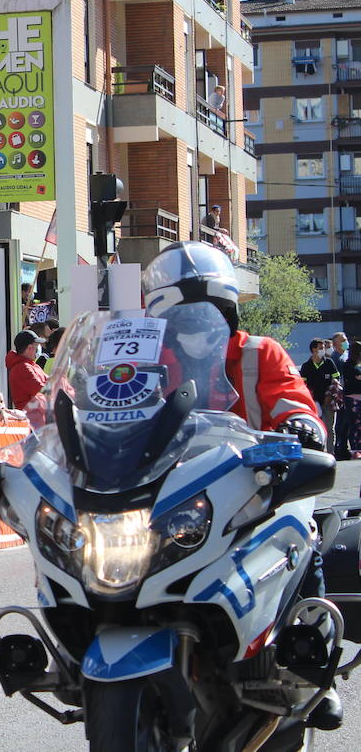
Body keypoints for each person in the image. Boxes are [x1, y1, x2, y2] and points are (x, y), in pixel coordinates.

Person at [142, 241, 341, 730]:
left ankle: (314, 665)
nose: (194, 324)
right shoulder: (146, 358)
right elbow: (103, 400)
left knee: (302, 532)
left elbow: (293, 399)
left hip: (255, 486)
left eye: (204, 312)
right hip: (167, 493)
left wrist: (301, 426)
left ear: (226, 311)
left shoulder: (259, 352)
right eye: (183, 316)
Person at [300, 339, 341, 436]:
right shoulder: (306, 366)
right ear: (314, 350)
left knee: (330, 429)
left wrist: (330, 395)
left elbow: (336, 379)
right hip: (314, 403)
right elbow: (302, 385)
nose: (324, 350)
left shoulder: (329, 363)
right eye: (321, 348)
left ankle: (330, 451)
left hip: (329, 402)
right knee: (316, 429)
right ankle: (319, 449)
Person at [6, 329, 48, 413]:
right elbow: (40, 390)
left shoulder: (31, 365)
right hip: (32, 418)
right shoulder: (22, 367)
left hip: (39, 414)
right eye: (36, 346)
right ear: (29, 348)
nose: (38, 350)